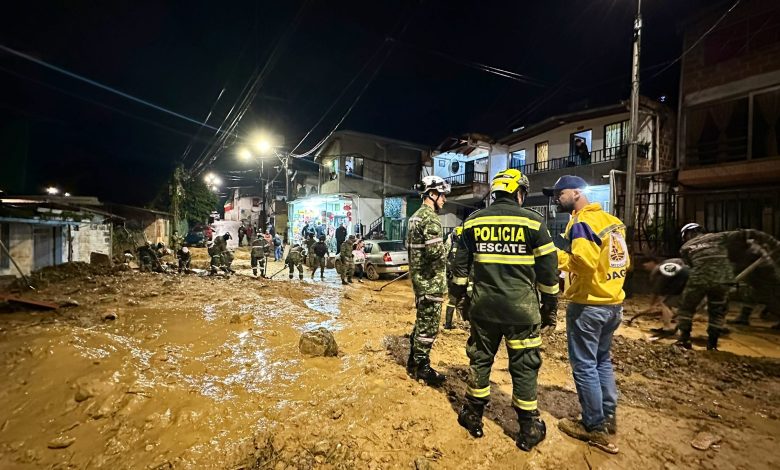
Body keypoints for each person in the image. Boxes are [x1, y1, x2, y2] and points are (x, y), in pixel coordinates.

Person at [451, 169, 559, 451]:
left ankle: (473, 415)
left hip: (483, 308)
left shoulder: (472, 222)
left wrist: (459, 300)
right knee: (524, 366)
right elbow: (549, 274)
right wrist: (550, 309)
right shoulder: (535, 223)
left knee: (481, 359)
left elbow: (459, 269)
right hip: (521, 312)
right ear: (519, 193)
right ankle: (527, 428)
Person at [543, 175, 626, 454]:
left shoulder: (582, 223)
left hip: (589, 304)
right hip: (613, 303)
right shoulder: (612, 221)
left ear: (577, 192)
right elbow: (622, 260)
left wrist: (555, 255)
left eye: (560, 193)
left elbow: (584, 262)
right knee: (602, 360)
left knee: (585, 365)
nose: (556, 198)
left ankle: (594, 426)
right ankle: (608, 415)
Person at [676, 224, 780, 349]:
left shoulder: (685, 248)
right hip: (723, 279)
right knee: (717, 312)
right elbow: (751, 232)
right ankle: (712, 345)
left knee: (686, 308)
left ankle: (684, 340)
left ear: (688, 234)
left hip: (700, 278)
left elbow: (694, 267)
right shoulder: (720, 236)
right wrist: (774, 242)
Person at [406, 175, 450, 387]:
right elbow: (435, 254)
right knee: (429, 326)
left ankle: (412, 361)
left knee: (421, 321)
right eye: (442, 195)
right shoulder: (431, 219)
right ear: (431, 194)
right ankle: (422, 367)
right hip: (431, 281)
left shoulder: (414, 217)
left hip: (419, 281)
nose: (444, 200)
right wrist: (450, 246)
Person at [636, 257, 689, 337]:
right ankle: (673, 327)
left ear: (652, 262)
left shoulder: (658, 269)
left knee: (665, 304)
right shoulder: (666, 266)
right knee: (669, 303)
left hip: (684, 277)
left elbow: (657, 290)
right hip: (687, 278)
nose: (645, 268)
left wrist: (652, 305)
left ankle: (668, 328)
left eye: (645, 265)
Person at [444, 226, 469, 330]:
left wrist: (448, 274)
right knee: (463, 302)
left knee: (452, 302)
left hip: (454, 279)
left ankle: (448, 324)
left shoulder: (451, 245)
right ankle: (464, 322)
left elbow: (447, 260)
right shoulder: (466, 247)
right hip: (464, 280)